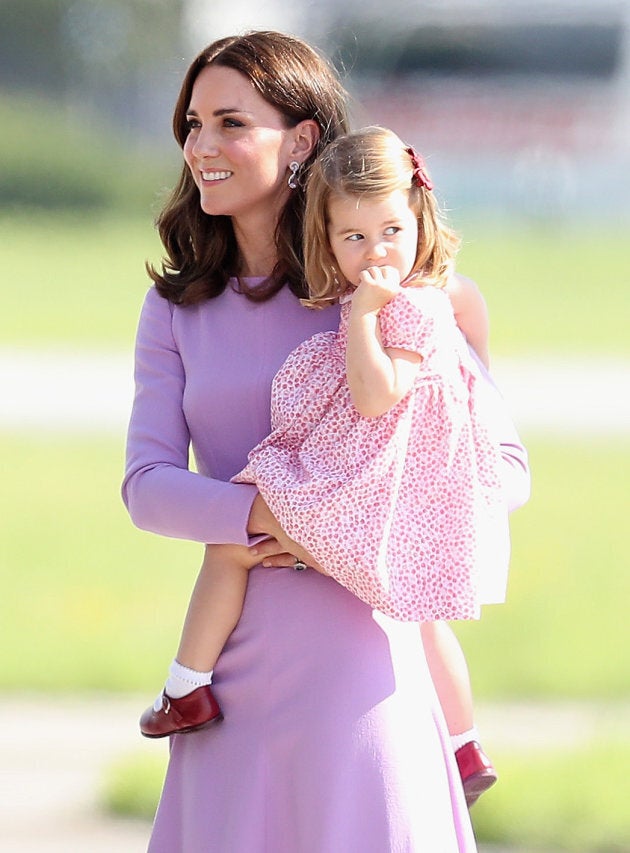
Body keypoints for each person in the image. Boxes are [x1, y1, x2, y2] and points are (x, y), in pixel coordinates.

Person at [123, 31, 528, 852]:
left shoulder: (394, 297)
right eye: (192, 123)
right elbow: (148, 485)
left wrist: (366, 506)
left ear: (302, 139)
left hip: (366, 668)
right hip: (225, 673)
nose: (202, 145)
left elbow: (504, 471)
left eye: (230, 121)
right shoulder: (175, 309)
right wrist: (271, 515)